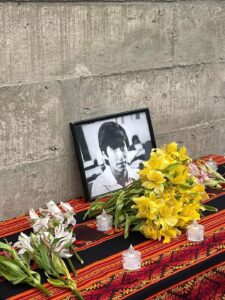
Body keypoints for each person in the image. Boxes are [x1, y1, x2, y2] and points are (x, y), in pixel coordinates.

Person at [91, 122, 139, 198]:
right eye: (114, 149)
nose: (121, 156)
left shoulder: (138, 175)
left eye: (122, 147)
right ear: (104, 154)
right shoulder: (100, 186)